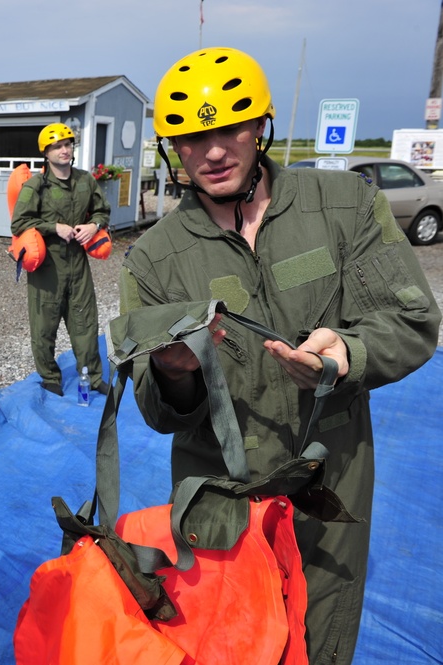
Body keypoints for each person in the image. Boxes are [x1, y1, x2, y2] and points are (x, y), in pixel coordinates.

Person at [119, 46, 441, 664]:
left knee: (322, 642)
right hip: (221, 500)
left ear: (262, 127)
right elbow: (157, 410)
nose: (212, 151)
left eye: (230, 128)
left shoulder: (345, 205)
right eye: (190, 137)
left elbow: (412, 317)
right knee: (232, 643)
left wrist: (349, 350)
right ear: (173, 149)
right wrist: (173, 374)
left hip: (331, 485)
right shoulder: (154, 258)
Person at [10, 123, 111, 396]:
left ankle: (92, 377)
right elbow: (19, 222)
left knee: (86, 323)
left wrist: (94, 225)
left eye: (68, 144)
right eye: (57, 146)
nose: (64, 150)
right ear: (46, 152)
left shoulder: (85, 181)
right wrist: (54, 227)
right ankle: (50, 377)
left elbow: (102, 210)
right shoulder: (35, 186)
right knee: (44, 324)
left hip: (78, 264)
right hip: (47, 268)